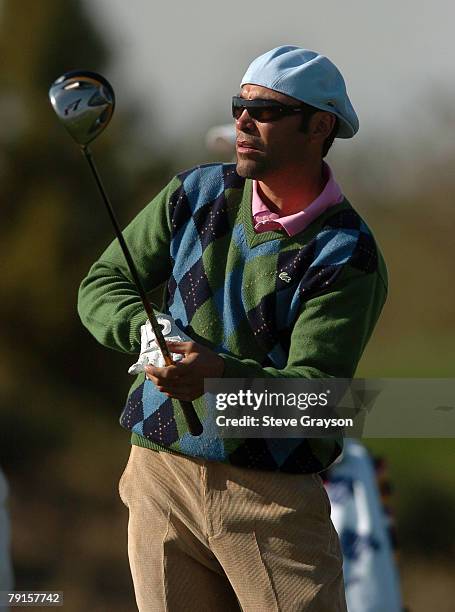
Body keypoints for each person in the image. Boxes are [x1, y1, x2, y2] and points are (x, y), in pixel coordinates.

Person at [78, 45, 388, 611]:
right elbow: (101, 285)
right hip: (159, 473)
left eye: (265, 110)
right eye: (238, 106)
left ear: (320, 126)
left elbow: (317, 398)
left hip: (269, 494)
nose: (242, 122)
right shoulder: (194, 193)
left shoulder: (347, 254)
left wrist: (218, 375)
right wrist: (144, 334)